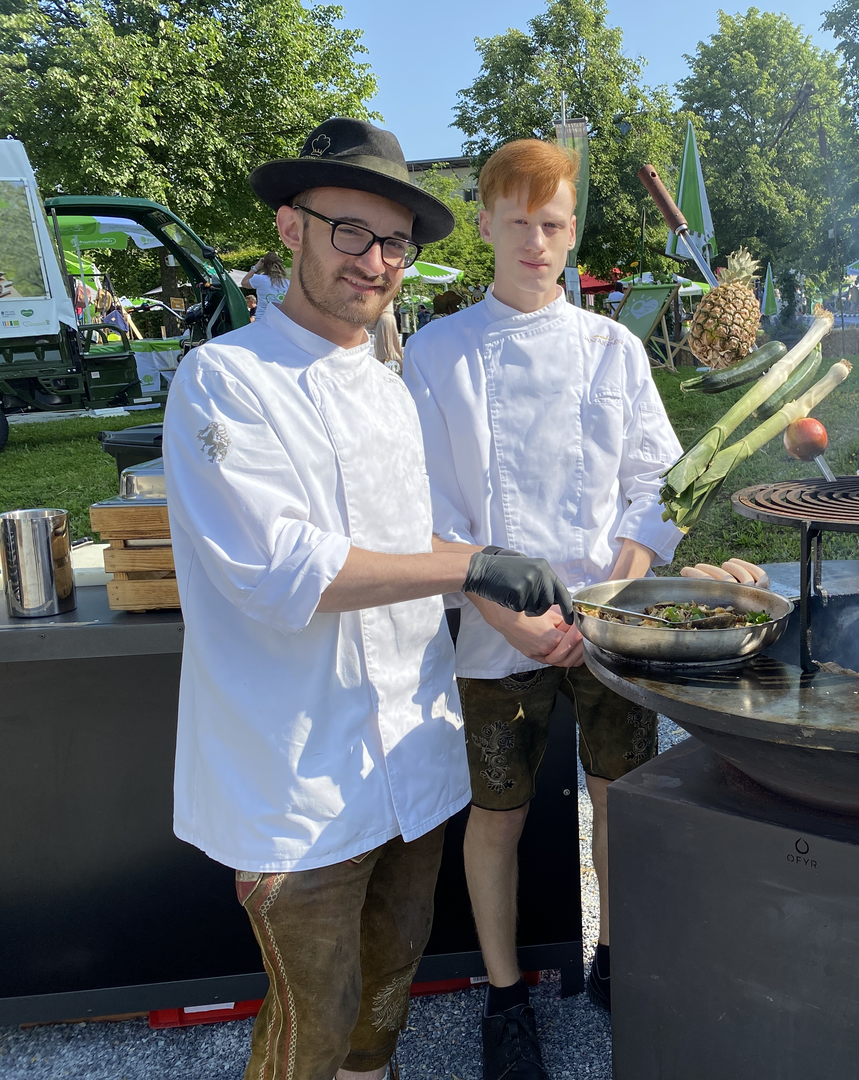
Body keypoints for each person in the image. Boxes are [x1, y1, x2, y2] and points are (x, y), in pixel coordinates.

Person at [162, 117, 573, 1080]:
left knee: (386, 993)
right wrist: (472, 567)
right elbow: (286, 572)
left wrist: (497, 590)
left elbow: (404, 544)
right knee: (314, 1016)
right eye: (351, 231)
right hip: (297, 778)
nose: (376, 260)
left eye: (394, 242)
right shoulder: (225, 381)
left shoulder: (386, 387)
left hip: (412, 760)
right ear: (288, 227)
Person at [403, 138, 684, 1077]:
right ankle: (504, 991)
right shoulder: (439, 353)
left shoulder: (615, 347)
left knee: (619, 800)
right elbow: (430, 511)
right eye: (517, 222)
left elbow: (656, 481)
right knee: (500, 812)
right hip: (497, 628)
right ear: (484, 223)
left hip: (609, 626)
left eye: (552, 224)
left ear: (573, 230)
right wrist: (505, 611)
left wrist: (615, 591)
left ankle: (617, 958)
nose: (535, 241)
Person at [240, 250, 290, 321]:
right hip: (281, 322)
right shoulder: (288, 283)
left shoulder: (260, 279)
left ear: (265, 265)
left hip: (262, 320)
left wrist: (256, 267)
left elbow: (244, 283)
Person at [370, 301, 403, 375]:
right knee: (392, 342)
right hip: (391, 318)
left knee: (381, 344)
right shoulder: (389, 296)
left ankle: (379, 368)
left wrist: (372, 324)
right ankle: (402, 366)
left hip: (383, 319)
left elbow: (377, 312)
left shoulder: (380, 298)